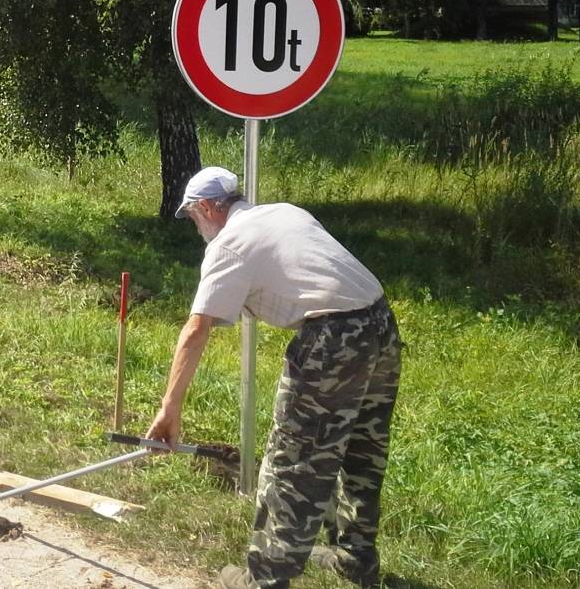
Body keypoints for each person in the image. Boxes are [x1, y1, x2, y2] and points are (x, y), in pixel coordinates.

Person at [145, 167, 401, 589]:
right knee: (362, 448)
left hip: (332, 338)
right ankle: (354, 558)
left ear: (207, 207)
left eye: (192, 217)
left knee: (295, 460)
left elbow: (196, 328)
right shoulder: (284, 211)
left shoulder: (228, 244)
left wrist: (169, 409)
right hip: (380, 323)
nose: (196, 226)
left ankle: (263, 577)